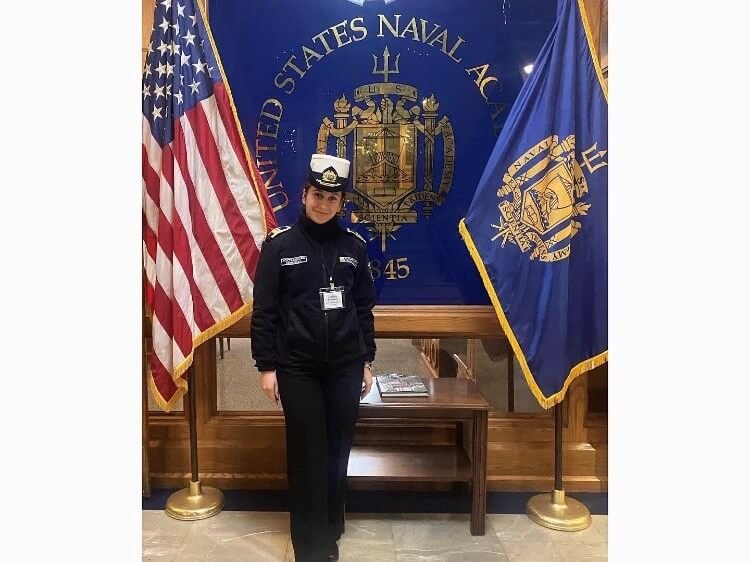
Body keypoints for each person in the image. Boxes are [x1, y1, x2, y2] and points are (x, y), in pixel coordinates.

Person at [250, 154, 377, 562]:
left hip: (344, 367)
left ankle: (330, 529)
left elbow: (363, 308)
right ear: (304, 194)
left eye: (332, 198)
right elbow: (265, 310)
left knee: (337, 451)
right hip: (297, 368)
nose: (324, 204)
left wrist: (366, 360)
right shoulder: (279, 245)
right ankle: (309, 543)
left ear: (342, 203)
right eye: (317, 195)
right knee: (308, 453)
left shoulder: (353, 247)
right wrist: (266, 366)